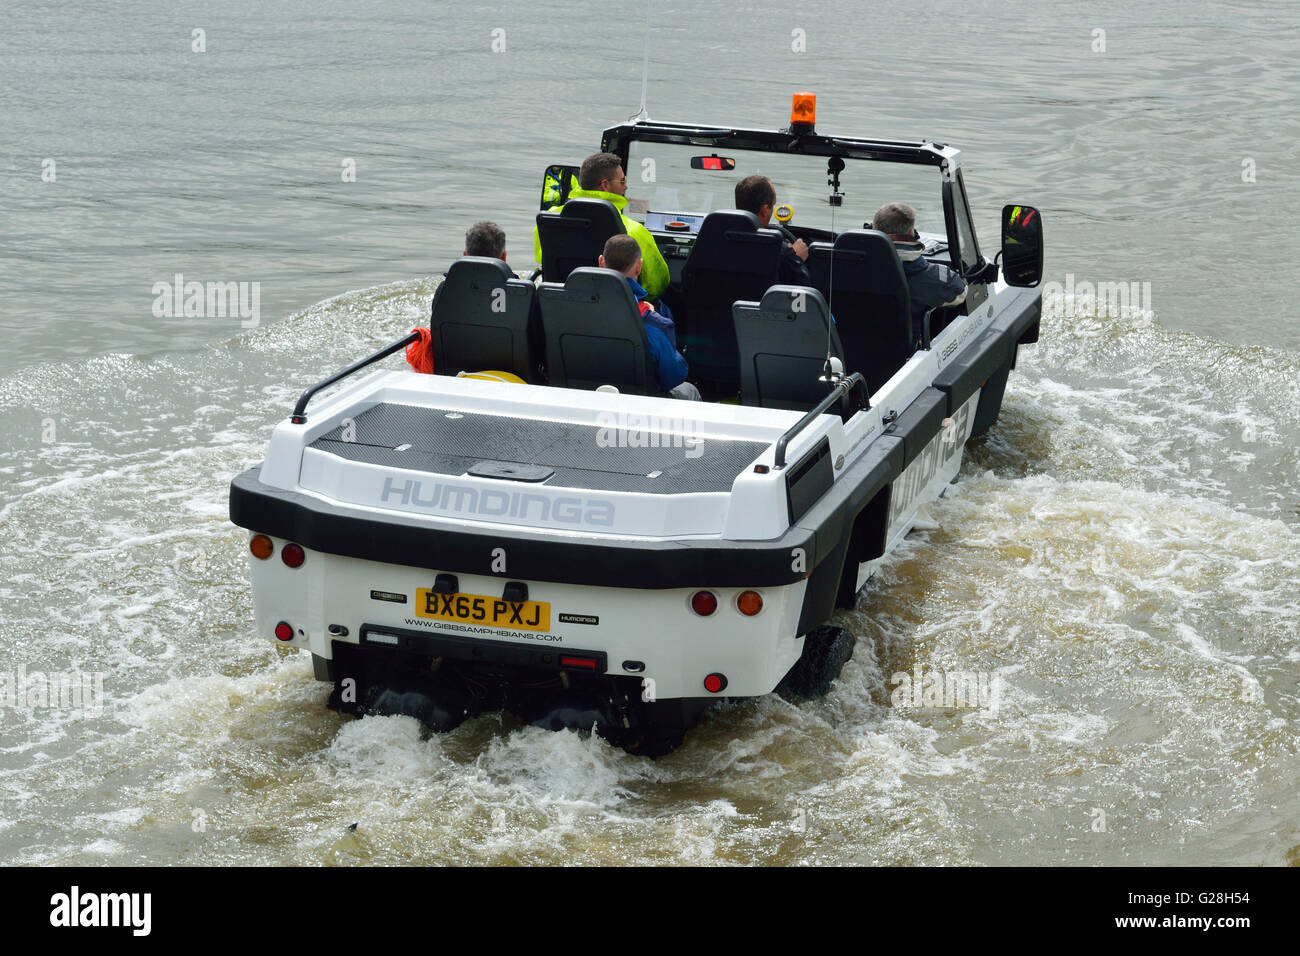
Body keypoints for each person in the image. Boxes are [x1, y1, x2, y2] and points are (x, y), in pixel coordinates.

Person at [534, 152, 670, 302]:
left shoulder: (550, 220)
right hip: (616, 311)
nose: (626, 186)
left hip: (561, 306)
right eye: (623, 181)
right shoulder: (633, 232)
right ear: (605, 185)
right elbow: (657, 285)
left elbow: (542, 258)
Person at [598, 235, 700, 401]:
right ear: (639, 267)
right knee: (688, 389)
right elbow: (674, 377)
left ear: (601, 262)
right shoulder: (654, 324)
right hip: (641, 404)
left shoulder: (567, 308)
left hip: (586, 395)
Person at [871, 202, 967, 326]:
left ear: (875, 229)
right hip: (903, 344)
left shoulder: (848, 268)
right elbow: (961, 291)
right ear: (911, 233)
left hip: (848, 342)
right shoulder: (931, 276)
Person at [734, 175, 811, 285]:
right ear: (765, 210)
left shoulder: (715, 240)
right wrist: (795, 258)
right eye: (773, 204)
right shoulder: (780, 251)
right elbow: (802, 294)